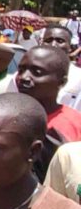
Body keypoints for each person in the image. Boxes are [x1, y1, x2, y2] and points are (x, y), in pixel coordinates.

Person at [17, 46, 81, 179]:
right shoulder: (8, 117)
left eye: (37, 72)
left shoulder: (73, 123)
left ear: (61, 82)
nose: (24, 77)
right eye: (21, 70)